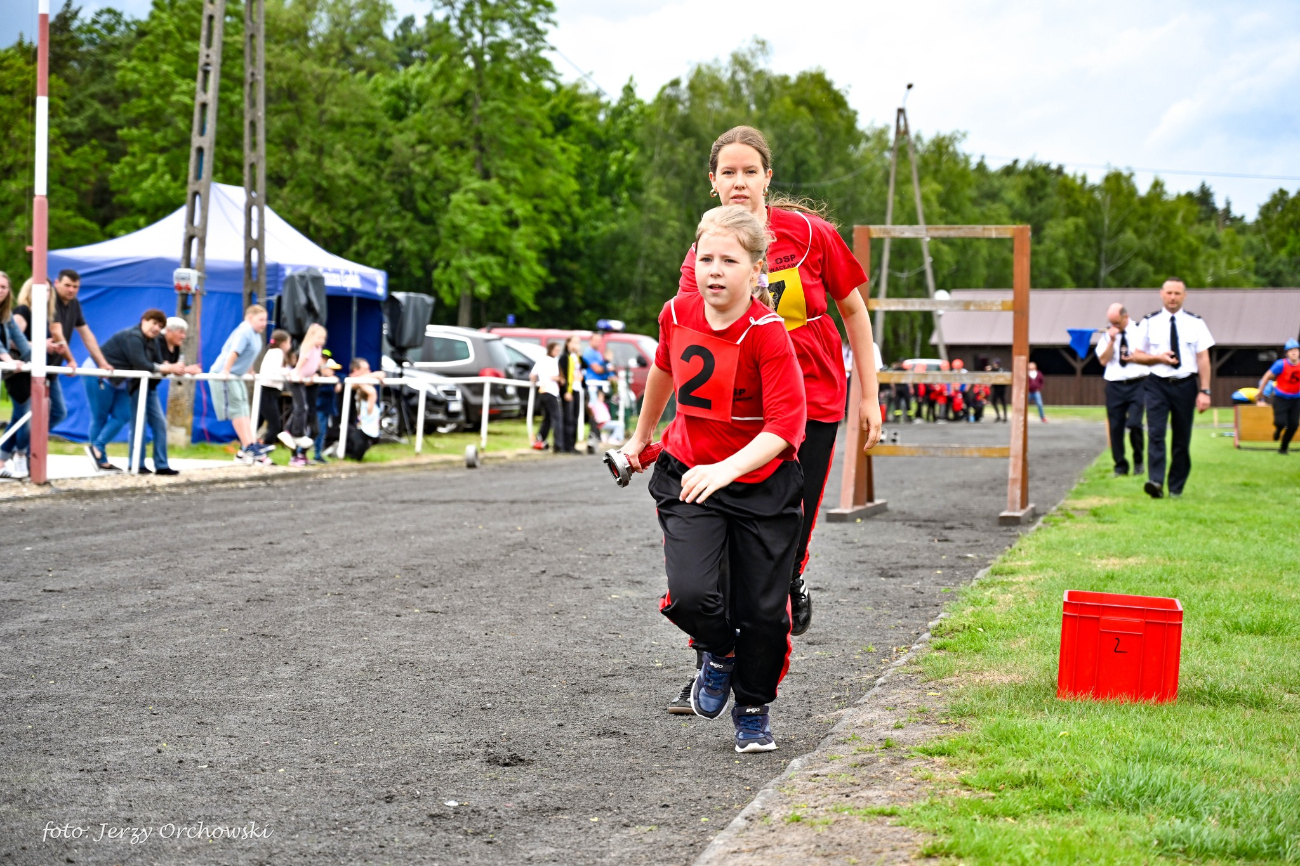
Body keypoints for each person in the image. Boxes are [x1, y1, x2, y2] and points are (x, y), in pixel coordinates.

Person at [674, 125, 882, 638]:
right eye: (729, 172)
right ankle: (712, 649)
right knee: (721, 521)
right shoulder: (703, 252)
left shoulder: (810, 235)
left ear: (768, 178)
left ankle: (790, 574)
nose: (739, 182)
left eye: (750, 171)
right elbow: (690, 330)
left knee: (794, 512)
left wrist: (870, 396)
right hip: (741, 400)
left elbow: (854, 312)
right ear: (713, 183)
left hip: (813, 392)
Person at [622, 205, 807, 752]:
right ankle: (719, 652)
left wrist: (726, 469)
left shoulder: (768, 334)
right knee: (691, 595)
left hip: (762, 488)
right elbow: (663, 369)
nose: (715, 270)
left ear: (756, 272)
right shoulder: (676, 314)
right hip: (688, 474)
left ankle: (753, 709)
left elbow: (786, 428)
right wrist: (640, 438)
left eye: (729, 260)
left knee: (766, 616)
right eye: (706, 258)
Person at [1128, 278, 1215, 498]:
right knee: (1156, 434)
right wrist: (1158, 358)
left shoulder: (1196, 323)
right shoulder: (1148, 322)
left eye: (1177, 293)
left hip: (1185, 384)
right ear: (1161, 294)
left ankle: (1176, 486)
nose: (1173, 297)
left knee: (1181, 438)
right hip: (1157, 384)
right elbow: (1136, 355)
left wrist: (1205, 391)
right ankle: (1155, 482)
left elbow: (1203, 359)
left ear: (1185, 295)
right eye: (1169, 293)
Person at [210, 304, 271, 464]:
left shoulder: (256, 335)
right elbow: (234, 352)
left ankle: (249, 445)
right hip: (226, 374)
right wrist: (226, 371)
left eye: (265, 320)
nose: (264, 323)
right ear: (250, 318)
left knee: (244, 408)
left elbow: (247, 355)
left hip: (237, 375)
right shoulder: (244, 331)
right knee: (237, 409)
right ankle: (248, 445)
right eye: (261, 319)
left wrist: (250, 371)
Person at [1096, 303, 1150, 477]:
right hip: (1115, 385)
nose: (1114, 326)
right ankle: (1120, 466)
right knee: (1115, 427)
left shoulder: (1141, 331)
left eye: (1117, 323)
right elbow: (1103, 361)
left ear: (1126, 317)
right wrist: (1112, 340)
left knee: (1134, 423)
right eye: (1111, 323)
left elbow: (1150, 356)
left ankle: (1138, 461)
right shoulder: (1107, 335)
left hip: (1138, 383)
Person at [0, 271, 33, 479]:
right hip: (5, 365)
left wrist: (36, 363)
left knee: (26, 415)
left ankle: (11, 456)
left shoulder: (7, 315)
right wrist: (10, 361)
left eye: (4, 287)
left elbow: (20, 341)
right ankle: (15, 455)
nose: (0, 291)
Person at [281, 323, 326, 467]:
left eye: (323, 338)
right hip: (297, 378)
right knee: (301, 407)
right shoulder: (308, 346)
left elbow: (315, 364)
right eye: (319, 337)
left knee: (303, 410)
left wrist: (315, 374)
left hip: (306, 379)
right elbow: (303, 361)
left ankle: (301, 452)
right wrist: (297, 373)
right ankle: (293, 433)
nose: (322, 340)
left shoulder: (318, 349)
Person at [1256, 339, 1300, 455]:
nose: (1293, 352)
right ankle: (1279, 430)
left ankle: (1283, 448)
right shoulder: (1281, 364)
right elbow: (1266, 377)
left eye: (1295, 350)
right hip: (1281, 398)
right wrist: (1260, 392)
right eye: (1291, 351)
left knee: (1294, 425)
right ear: (1287, 354)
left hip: (1296, 399)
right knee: (1280, 422)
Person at [257, 329, 292, 451]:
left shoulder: (273, 352)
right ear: (283, 343)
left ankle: (251, 447)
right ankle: (265, 449)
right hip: (268, 392)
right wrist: (289, 374)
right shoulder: (277, 353)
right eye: (289, 342)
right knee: (275, 425)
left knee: (258, 423)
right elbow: (276, 372)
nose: (290, 346)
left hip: (270, 392)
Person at [529, 340, 564, 451]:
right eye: (556, 350)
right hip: (551, 391)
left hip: (543, 391)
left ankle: (540, 439)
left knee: (547, 418)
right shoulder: (553, 361)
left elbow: (532, 375)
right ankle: (558, 445)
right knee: (557, 418)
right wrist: (561, 379)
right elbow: (554, 376)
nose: (558, 352)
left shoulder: (541, 360)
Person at [314, 352, 342, 464]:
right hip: (318, 408)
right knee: (316, 431)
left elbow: (341, 379)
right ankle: (304, 453)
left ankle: (317, 455)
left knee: (322, 432)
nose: (333, 371)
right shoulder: (318, 377)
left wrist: (337, 380)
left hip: (325, 409)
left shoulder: (333, 379)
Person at [558, 334, 583, 453]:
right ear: (568, 343)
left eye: (578, 343)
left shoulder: (577, 357)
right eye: (574, 342)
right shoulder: (564, 358)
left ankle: (573, 444)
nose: (576, 345)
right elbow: (563, 375)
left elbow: (584, 367)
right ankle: (566, 445)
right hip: (569, 390)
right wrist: (565, 392)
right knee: (568, 418)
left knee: (575, 417)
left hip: (577, 389)